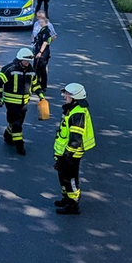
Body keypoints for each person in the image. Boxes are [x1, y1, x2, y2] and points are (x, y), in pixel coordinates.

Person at [53, 83, 96, 215]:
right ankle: (66, 199)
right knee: (63, 177)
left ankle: (73, 204)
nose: (64, 96)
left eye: (67, 94)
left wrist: (67, 155)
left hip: (71, 154)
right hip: (64, 152)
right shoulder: (71, 109)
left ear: (75, 97)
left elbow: (75, 139)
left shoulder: (77, 113)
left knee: (70, 179)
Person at [0, 48, 45, 155]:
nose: (27, 63)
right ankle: (19, 145)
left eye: (28, 61)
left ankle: (8, 136)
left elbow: (35, 84)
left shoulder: (31, 71)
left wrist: (41, 95)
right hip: (11, 102)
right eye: (25, 61)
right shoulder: (10, 69)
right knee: (17, 124)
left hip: (24, 102)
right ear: (20, 59)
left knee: (17, 122)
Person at [32, 13, 56, 92]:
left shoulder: (46, 31)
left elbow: (45, 42)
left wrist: (40, 52)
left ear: (45, 23)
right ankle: (37, 85)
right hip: (39, 51)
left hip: (43, 53)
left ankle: (42, 86)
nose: (40, 23)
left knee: (41, 69)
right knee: (37, 69)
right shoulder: (42, 30)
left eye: (41, 22)